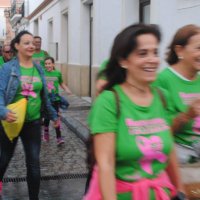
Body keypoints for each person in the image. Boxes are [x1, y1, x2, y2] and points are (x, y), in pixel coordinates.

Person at [84, 23, 185, 200]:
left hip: (161, 193)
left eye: (155, 52)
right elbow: (105, 164)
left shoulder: (162, 97)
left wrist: (180, 190)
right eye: (142, 53)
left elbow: (169, 151)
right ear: (123, 60)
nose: (152, 60)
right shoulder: (109, 101)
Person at [0, 30, 59, 200]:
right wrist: (3, 112)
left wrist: (53, 115)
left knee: (33, 163)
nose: (31, 45)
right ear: (17, 46)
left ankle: (34, 198)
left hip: (33, 123)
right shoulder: (7, 68)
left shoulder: (39, 69)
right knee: (4, 159)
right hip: (12, 121)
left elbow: (44, 97)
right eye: (26, 43)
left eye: (32, 42)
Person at [154, 24, 200, 164]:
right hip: (179, 153)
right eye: (198, 48)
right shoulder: (163, 80)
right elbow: (158, 131)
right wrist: (187, 115)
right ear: (179, 50)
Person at [43, 56, 72, 145]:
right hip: (46, 99)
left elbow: (61, 83)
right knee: (47, 118)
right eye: (46, 64)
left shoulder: (57, 73)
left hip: (55, 99)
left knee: (56, 117)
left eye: (49, 63)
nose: (47, 65)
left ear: (53, 64)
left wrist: (66, 89)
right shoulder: (42, 73)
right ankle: (46, 131)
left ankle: (59, 138)